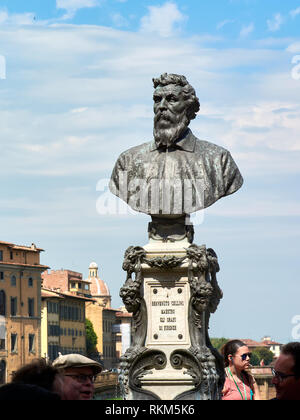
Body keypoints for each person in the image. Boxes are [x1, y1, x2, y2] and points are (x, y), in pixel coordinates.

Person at [109, 73, 243, 222]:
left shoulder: (218, 159)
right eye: (157, 100)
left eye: (171, 99)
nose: (161, 106)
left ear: (188, 108)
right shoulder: (128, 160)